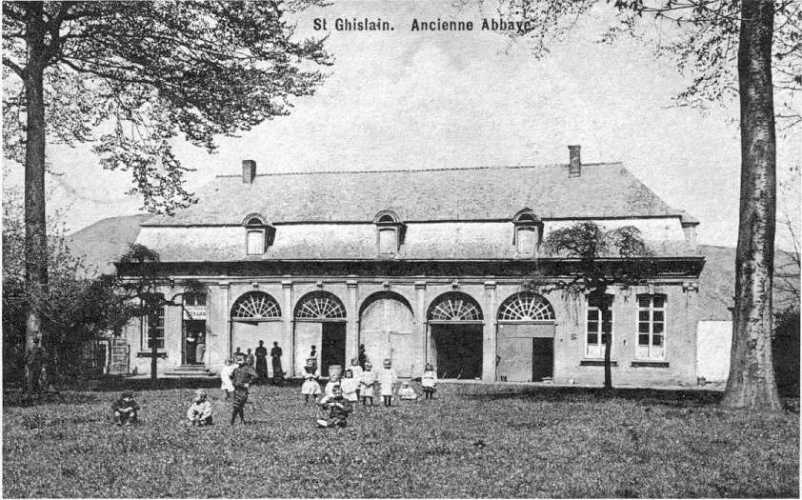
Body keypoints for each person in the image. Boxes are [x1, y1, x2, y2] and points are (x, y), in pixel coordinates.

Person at [230, 353, 258, 425]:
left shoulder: (248, 368)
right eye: (237, 358)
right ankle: (242, 420)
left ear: (245, 360)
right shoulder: (235, 369)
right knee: (238, 406)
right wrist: (233, 382)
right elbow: (232, 376)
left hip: (243, 391)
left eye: (241, 358)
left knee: (237, 406)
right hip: (236, 390)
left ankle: (232, 421)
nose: (239, 360)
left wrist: (249, 383)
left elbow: (255, 376)